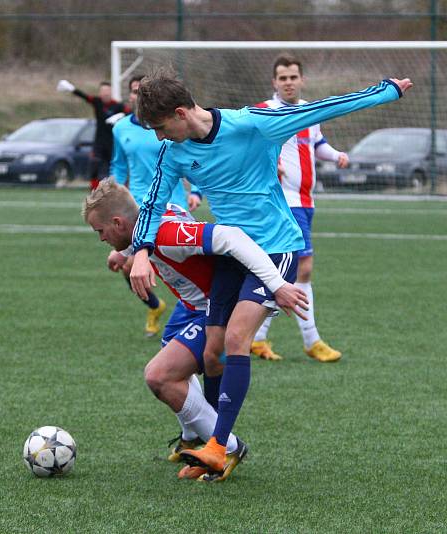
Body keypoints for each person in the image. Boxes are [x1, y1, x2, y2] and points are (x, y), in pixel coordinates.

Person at [128, 70, 412, 476]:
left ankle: (218, 447)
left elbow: (322, 108)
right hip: (232, 255)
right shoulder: (172, 151)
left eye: (159, 127)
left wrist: (384, 92)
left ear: (179, 113)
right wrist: (140, 251)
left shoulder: (252, 124)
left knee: (239, 337)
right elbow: (153, 204)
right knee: (212, 352)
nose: (157, 137)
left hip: (275, 247)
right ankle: (215, 445)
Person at [83, 179, 308, 481]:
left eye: (101, 232)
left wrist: (277, 284)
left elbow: (230, 237)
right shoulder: (147, 225)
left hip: (214, 306)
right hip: (191, 306)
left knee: (159, 375)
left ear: (118, 223)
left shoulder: (167, 236)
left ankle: (226, 445)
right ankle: (197, 438)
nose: (100, 239)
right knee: (169, 349)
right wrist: (124, 253)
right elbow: (161, 213)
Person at [251, 54, 349, 363]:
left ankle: (257, 337)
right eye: (283, 78)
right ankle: (312, 340)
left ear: (301, 79)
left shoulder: (310, 111)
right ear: (274, 82)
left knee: (285, 271)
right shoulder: (266, 112)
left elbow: (317, 144)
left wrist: (336, 157)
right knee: (300, 269)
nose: (288, 82)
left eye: (293, 77)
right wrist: (270, 162)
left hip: (306, 201)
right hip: (283, 202)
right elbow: (250, 146)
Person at [108, 75, 203, 336]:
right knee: (127, 266)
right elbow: (118, 165)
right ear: (130, 96)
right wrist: (112, 198)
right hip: (138, 207)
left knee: (188, 266)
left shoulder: (168, 126)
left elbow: (192, 157)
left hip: (173, 204)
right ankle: (155, 306)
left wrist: (195, 190)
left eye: (143, 92)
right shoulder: (120, 129)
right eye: (134, 91)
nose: (138, 96)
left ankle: (198, 312)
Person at [57, 79, 127, 189]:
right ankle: (93, 192)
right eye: (103, 90)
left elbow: (130, 113)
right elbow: (85, 97)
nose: (105, 93)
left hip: (113, 143)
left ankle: (114, 191)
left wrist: (120, 116)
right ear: (100, 92)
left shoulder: (118, 106)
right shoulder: (97, 102)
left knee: (113, 168)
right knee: (94, 167)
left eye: (107, 90)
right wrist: (71, 88)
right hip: (99, 143)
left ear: (111, 92)